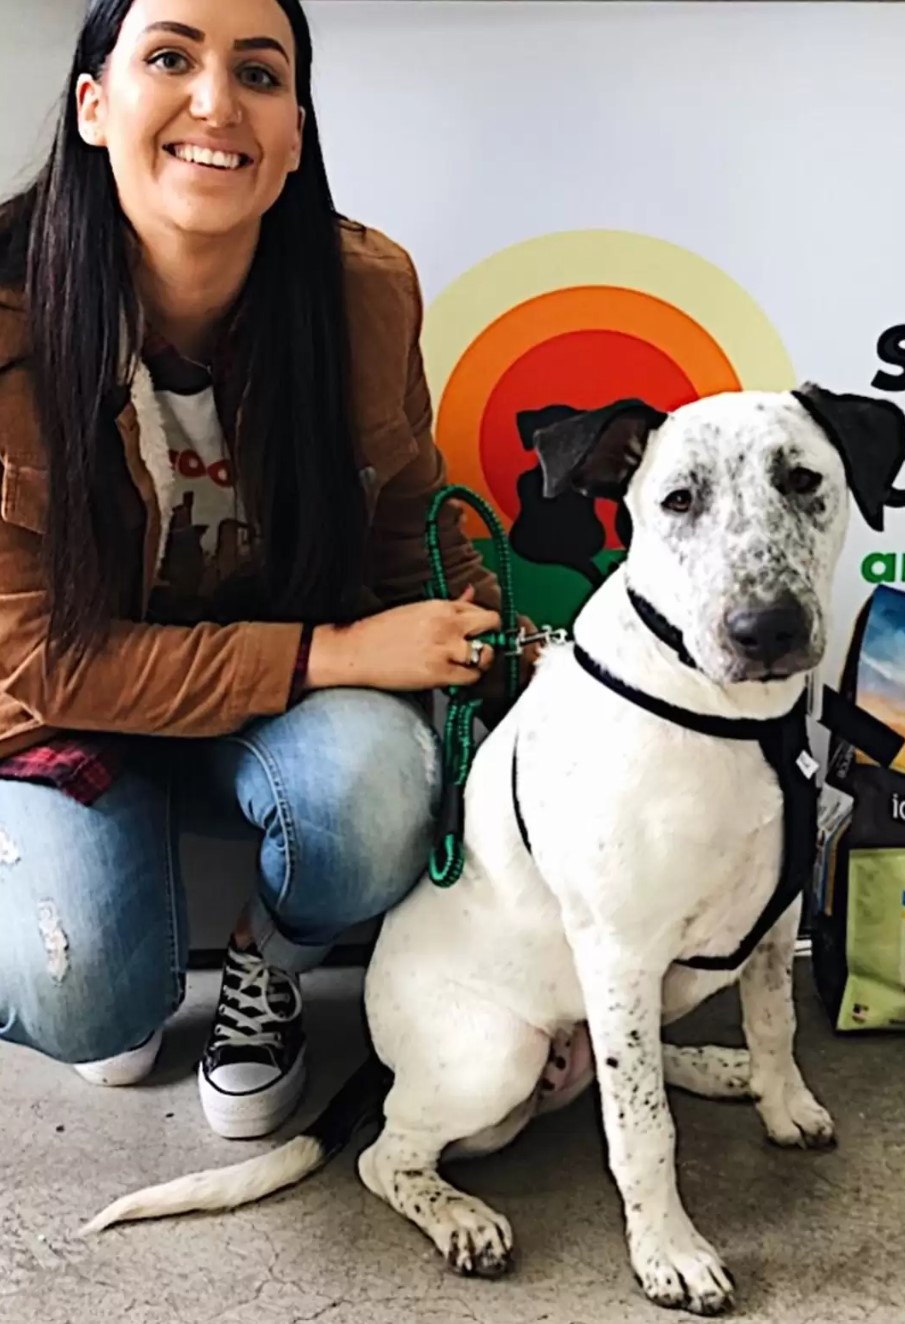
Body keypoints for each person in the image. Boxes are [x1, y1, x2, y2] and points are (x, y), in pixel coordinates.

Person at [0, 0, 530, 1140]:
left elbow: (404, 518)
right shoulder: (5, 318)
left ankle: (266, 964)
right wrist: (337, 652)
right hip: (72, 710)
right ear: (94, 105)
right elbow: (34, 659)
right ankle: (121, 955)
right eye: (170, 57)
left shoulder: (365, 291)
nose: (214, 101)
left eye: (258, 71)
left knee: (373, 794)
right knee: (83, 991)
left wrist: (474, 634)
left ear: (293, 134)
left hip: (278, 707)